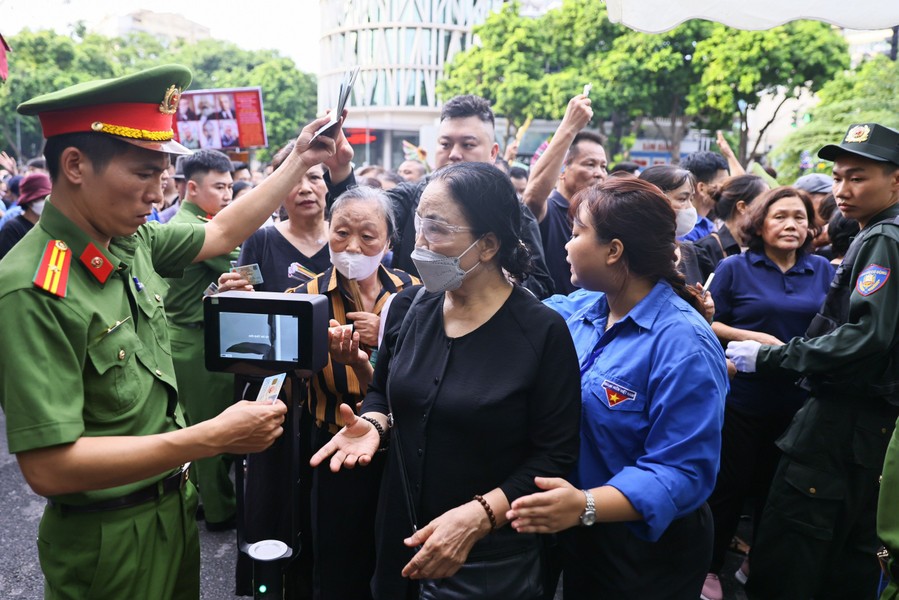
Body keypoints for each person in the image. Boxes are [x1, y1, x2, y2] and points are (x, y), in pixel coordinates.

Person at [0, 64, 339, 599]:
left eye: (163, 175)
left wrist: (301, 158)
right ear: (75, 165)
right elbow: (49, 468)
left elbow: (225, 228)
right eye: (142, 173)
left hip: (171, 512)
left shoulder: (127, 244)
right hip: (106, 539)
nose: (157, 196)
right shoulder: (33, 287)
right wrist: (214, 436)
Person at [311, 162, 581, 599]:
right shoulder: (407, 307)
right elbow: (384, 389)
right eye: (418, 224)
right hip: (399, 537)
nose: (419, 244)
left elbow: (555, 456)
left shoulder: (542, 332)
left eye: (435, 228)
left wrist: (478, 517)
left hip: (489, 559)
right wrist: (375, 425)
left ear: (488, 244)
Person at [507, 177, 728, 599]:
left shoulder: (683, 344)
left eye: (576, 234)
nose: (567, 246)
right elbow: (514, 312)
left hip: (646, 548)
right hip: (578, 527)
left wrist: (587, 505)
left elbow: (682, 470)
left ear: (614, 250)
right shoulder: (578, 312)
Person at [726, 123, 899, 600]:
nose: (842, 190)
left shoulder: (884, 238)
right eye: (839, 177)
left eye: (858, 177)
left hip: (843, 424)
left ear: (896, 180)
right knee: (846, 561)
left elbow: (867, 336)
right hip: (870, 430)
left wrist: (776, 357)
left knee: (792, 555)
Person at [701, 187, 834, 600]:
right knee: (729, 487)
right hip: (742, 399)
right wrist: (756, 339)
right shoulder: (734, 269)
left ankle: (757, 561)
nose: (791, 224)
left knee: (779, 491)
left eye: (799, 216)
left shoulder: (825, 271)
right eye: (780, 217)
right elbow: (707, 323)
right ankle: (708, 567)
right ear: (759, 223)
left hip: (801, 401)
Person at [293, 186, 418, 600]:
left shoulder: (413, 294)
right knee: (337, 561)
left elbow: (421, 376)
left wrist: (379, 344)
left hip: (399, 451)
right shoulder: (304, 297)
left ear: (389, 242)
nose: (353, 246)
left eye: (368, 236)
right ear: (327, 232)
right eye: (342, 232)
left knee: (397, 558)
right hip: (333, 446)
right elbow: (286, 381)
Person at [325, 94, 555, 299]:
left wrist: (493, 280)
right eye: (445, 144)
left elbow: (540, 284)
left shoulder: (512, 211)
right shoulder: (410, 195)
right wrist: (340, 170)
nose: (454, 154)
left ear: (493, 152)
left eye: (468, 144)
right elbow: (361, 215)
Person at [163, 149, 239, 531]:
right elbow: (246, 269)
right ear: (191, 188)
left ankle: (206, 500)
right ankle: (221, 511)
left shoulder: (195, 220)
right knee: (210, 432)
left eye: (230, 186)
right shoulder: (198, 230)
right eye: (219, 186)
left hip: (190, 339)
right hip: (197, 342)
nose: (228, 194)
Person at [523, 93, 607, 295]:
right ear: (561, 171)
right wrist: (569, 127)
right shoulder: (550, 211)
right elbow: (532, 199)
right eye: (590, 164)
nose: (599, 173)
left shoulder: (603, 218)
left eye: (604, 166)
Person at [638, 165, 715, 300]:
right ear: (653, 200)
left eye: (691, 199)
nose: (690, 208)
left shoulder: (692, 253)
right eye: (682, 199)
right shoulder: (630, 258)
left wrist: (706, 312)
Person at [695, 174, 770, 266]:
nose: (770, 211)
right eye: (765, 205)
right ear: (742, 207)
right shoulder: (704, 249)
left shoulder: (765, 247)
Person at [679, 150, 730, 242]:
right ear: (701, 188)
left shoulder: (709, 225)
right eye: (723, 184)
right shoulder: (684, 231)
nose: (728, 190)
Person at [0, 171, 51, 260]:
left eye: (48, 197)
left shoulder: (48, 225)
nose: (46, 201)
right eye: (42, 198)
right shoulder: (12, 228)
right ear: (29, 201)